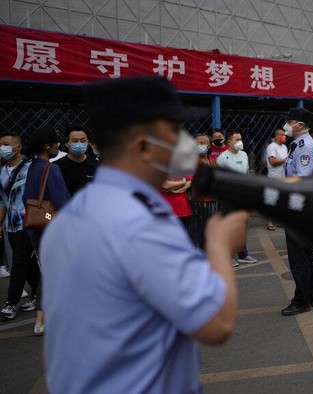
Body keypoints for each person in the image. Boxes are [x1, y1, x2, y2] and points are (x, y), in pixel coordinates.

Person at [41, 76, 248, 393]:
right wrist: (219, 245)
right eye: (173, 133)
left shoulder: (74, 213)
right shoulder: (139, 223)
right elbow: (216, 324)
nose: (185, 144)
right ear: (143, 146)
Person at [22, 127, 71, 336]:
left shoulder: (30, 167)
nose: (57, 147)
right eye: (55, 144)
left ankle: (42, 319)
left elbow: (27, 198)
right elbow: (63, 203)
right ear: (47, 146)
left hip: (36, 227)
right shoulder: (51, 169)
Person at [280, 107, 313, 316]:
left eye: (290, 121)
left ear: (300, 125)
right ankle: (312, 295)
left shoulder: (304, 146)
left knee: (298, 256)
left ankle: (301, 299)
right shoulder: (297, 144)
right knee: (307, 252)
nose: (287, 125)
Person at [0, 131, 38, 321]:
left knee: (18, 262)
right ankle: (39, 294)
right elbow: (2, 201)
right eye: (1, 144)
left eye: (6, 144)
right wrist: (0, 223)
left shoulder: (31, 167)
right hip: (11, 225)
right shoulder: (2, 170)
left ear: (18, 147)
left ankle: (11, 302)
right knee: (27, 263)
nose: (3, 148)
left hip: (28, 222)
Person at [217, 131, 257, 266]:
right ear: (229, 142)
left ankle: (242, 254)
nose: (240, 142)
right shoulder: (222, 158)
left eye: (240, 139)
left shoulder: (244, 155)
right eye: (236, 139)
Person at [190, 133, 219, 249]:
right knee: (199, 231)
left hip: (213, 200)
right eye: (196, 143)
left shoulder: (212, 160)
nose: (199, 145)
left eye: (202, 143)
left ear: (209, 146)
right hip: (199, 202)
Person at [54, 125, 99, 196]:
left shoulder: (97, 166)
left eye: (83, 141)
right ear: (67, 143)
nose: (79, 144)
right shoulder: (57, 167)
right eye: (75, 141)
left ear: (87, 142)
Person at [265, 128, 288, 231]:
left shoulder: (285, 147)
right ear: (277, 136)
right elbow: (272, 161)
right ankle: (270, 223)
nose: (284, 137)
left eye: (285, 135)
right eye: (282, 135)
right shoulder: (271, 147)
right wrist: (285, 160)